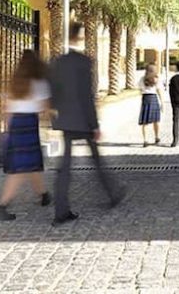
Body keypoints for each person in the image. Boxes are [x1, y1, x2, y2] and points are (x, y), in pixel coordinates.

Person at [49, 22, 124, 226]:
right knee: (96, 160)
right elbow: (86, 96)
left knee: (65, 166)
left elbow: (53, 92)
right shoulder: (84, 62)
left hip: (66, 120)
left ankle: (60, 211)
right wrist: (94, 124)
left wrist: (56, 116)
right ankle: (113, 193)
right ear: (80, 37)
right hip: (83, 120)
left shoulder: (58, 62)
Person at [0, 49, 52, 221]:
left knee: (30, 163)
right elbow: (44, 107)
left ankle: (43, 194)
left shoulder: (16, 81)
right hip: (29, 123)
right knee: (20, 169)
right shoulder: (39, 82)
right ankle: (2, 206)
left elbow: (6, 107)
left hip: (16, 124)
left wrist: (8, 126)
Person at [138, 64, 164, 146]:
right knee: (156, 121)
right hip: (153, 98)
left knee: (145, 121)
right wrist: (162, 102)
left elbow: (140, 89)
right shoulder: (157, 79)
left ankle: (145, 140)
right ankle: (157, 137)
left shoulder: (142, 79)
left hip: (145, 98)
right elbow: (159, 91)